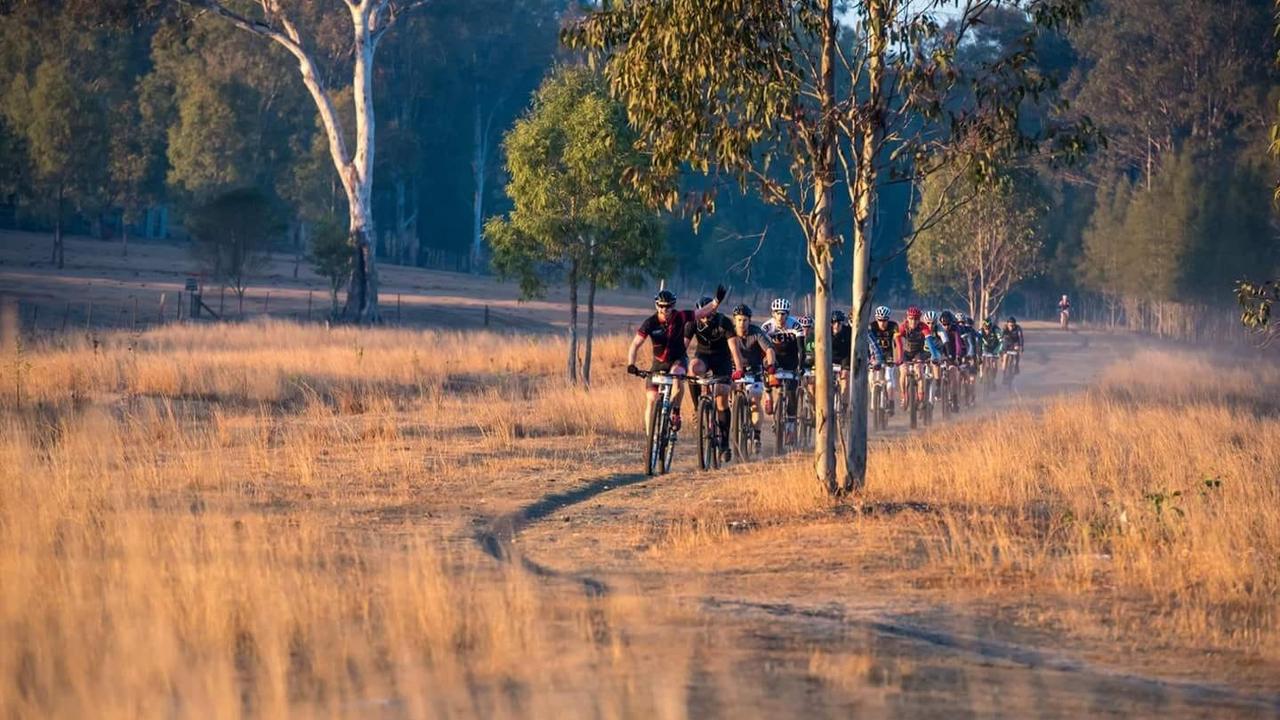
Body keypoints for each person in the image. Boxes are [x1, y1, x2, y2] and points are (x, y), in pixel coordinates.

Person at [626, 285, 727, 437]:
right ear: (656, 305)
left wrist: (716, 302)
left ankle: (675, 411)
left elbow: (702, 312)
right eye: (661, 307)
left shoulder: (680, 316)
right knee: (651, 400)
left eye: (668, 307)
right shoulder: (650, 323)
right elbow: (635, 344)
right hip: (658, 363)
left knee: (676, 375)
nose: (664, 310)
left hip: (678, 359)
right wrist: (631, 364)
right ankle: (651, 439)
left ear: (673, 306)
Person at [685, 295, 746, 460]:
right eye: (702, 315)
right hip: (703, 356)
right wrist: (677, 363)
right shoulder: (692, 323)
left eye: (709, 315)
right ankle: (697, 407)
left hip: (722, 359)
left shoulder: (723, 322)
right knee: (692, 368)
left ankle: (725, 445)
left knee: (722, 395)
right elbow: (683, 346)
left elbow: (734, 349)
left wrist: (739, 369)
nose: (705, 319)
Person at [731, 304, 776, 449]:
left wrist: (770, 366)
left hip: (754, 372)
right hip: (734, 370)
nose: (741, 324)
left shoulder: (757, 332)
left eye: (744, 320)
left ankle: (756, 435)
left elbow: (769, 350)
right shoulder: (729, 334)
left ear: (749, 321)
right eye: (739, 320)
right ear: (734, 320)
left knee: (754, 401)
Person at [761, 298, 805, 443]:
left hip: (791, 359)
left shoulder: (796, 325)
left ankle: (791, 429)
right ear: (773, 314)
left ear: (788, 314)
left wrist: (801, 366)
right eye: (778, 313)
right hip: (775, 358)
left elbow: (801, 349)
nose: (781, 317)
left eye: (784, 314)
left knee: (792, 393)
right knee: (766, 366)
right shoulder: (767, 327)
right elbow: (762, 349)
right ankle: (768, 396)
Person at [893, 305, 933, 409]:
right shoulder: (902, 327)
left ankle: (921, 396)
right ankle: (903, 395)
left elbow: (930, 342)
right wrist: (900, 358)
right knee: (903, 371)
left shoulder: (924, 327)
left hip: (919, 352)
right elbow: (899, 344)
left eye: (916, 319)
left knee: (919, 371)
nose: (913, 321)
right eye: (911, 319)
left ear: (919, 319)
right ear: (907, 318)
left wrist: (935, 355)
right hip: (905, 352)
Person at [866, 305, 897, 413]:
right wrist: (869, 359)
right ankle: (873, 400)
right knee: (871, 377)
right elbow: (867, 343)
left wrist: (897, 358)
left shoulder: (893, 326)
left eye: (885, 320)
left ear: (888, 319)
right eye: (880, 320)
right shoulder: (871, 327)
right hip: (875, 355)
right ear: (876, 319)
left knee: (889, 377)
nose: (882, 323)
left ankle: (891, 402)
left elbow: (898, 342)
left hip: (889, 355)